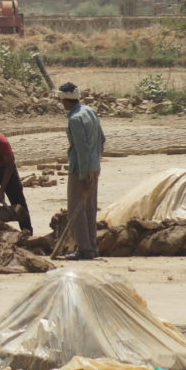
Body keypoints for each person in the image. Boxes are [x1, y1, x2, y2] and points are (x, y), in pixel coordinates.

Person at [59, 82, 106, 260]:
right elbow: (102, 139)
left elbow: (81, 149)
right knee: (90, 208)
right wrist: (95, 163)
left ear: (65, 100)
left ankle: (84, 249)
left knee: (76, 210)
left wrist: (84, 174)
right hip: (94, 167)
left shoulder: (75, 119)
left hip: (80, 169)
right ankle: (92, 247)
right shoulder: (90, 111)